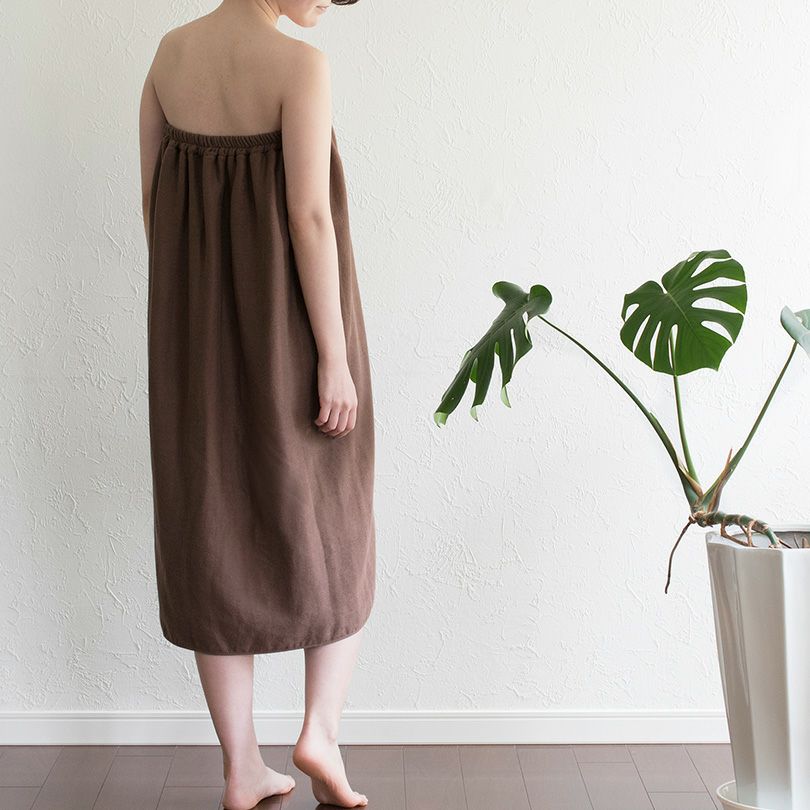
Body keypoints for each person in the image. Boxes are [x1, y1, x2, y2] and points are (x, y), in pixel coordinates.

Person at [138, 2, 375, 808]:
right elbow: (309, 218)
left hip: (189, 337)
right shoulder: (300, 67)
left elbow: (153, 203)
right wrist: (333, 356)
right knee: (334, 516)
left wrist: (197, 312)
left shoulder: (169, 56)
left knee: (210, 524)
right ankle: (320, 733)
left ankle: (242, 764)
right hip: (297, 333)